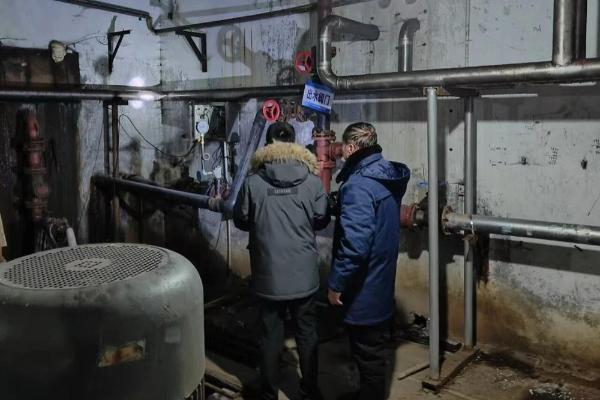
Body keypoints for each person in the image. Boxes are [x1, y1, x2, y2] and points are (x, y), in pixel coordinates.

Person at [234, 121, 330, 400]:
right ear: (293, 145)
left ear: (268, 145)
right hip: (303, 275)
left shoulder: (252, 183)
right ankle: (310, 391)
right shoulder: (312, 182)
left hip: (268, 276)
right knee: (307, 333)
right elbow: (321, 219)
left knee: (270, 336)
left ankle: (268, 394)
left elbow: (241, 220)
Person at [327, 122, 410, 400]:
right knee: (371, 351)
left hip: (364, 287)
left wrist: (336, 283)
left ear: (351, 147)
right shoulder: (385, 174)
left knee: (368, 355)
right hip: (380, 278)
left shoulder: (358, 186)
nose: (340, 152)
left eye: (342, 147)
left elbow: (355, 246)